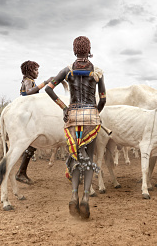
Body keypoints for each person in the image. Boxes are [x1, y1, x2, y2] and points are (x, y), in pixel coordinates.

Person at [45, 36, 106, 219]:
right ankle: (86, 197)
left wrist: (64, 107)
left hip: (72, 118)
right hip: (91, 120)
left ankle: (73, 194)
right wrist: (96, 112)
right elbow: (103, 99)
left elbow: (48, 88)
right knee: (89, 158)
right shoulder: (97, 72)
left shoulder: (67, 70)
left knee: (77, 155)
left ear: (74, 51)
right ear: (89, 50)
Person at [16, 60, 52, 185]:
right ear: (29, 71)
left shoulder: (28, 80)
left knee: (31, 145)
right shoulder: (28, 81)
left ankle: (21, 172)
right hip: (28, 114)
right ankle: (20, 172)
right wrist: (45, 83)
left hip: (28, 113)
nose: (37, 72)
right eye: (35, 70)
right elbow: (29, 92)